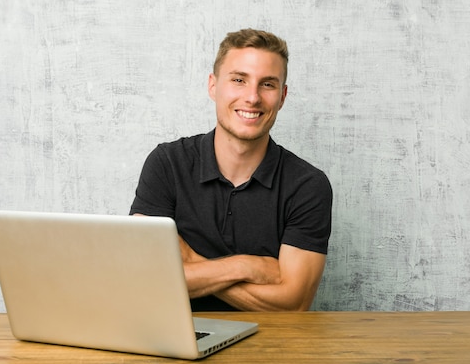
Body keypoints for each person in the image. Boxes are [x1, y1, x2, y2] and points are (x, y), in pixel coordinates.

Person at [130, 29, 332, 311]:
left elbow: (293, 304)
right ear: (213, 86)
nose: (252, 97)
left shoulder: (308, 185)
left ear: (283, 97)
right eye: (238, 80)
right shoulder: (167, 163)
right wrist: (247, 266)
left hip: (270, 350)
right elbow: (143, 278)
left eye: (268, 85)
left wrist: (191, 262)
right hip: (171, 341)